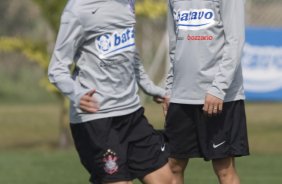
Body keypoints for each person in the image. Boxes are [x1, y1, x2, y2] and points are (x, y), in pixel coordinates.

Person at [48, 0, 173, 184]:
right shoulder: (78, 9)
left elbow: (129, 49)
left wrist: (149, 86)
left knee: (167, 180)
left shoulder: (127, 3)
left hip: (131, 115)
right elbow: (56, 69)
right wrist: (77, 94)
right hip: (97, 120)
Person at [164, 0, 250, 184]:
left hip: (219, 97)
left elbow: (235, 41)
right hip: (182, 96)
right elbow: (174, 46)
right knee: (173, 166)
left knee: (224, 169)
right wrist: (170, 89)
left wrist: (218, 88)